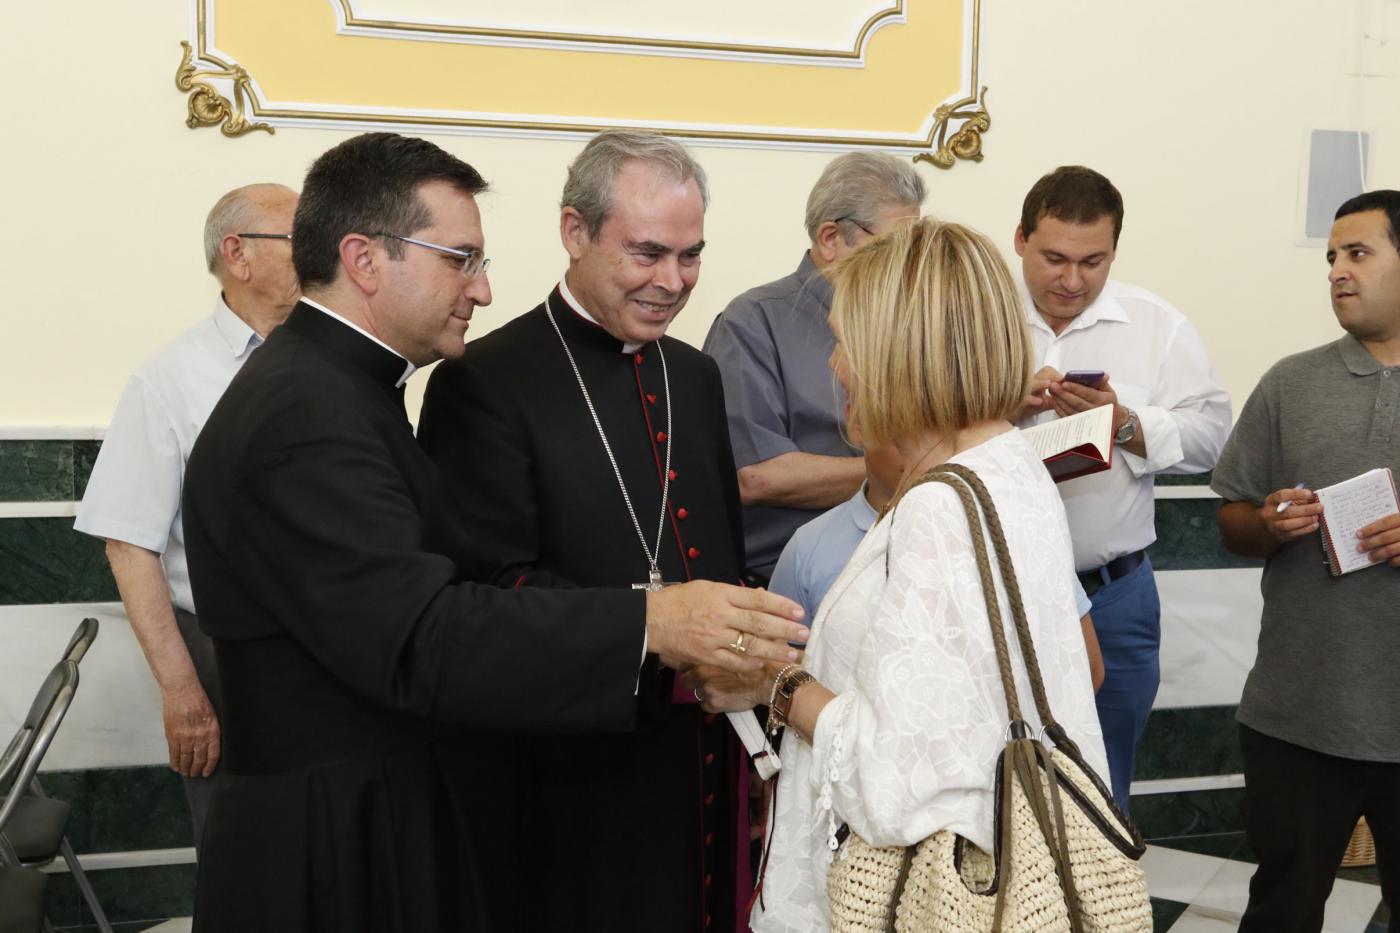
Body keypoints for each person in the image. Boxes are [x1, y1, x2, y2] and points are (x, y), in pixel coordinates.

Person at [180, 132, 808, 933]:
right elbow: (423, 633)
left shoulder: (340, 388)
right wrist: (656, 620)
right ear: (366, 259)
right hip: (333, 841)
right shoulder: (308, 412)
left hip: (381, 810)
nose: (480, 289)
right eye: (461, 259)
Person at [688, 218, 1109, 932]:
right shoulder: (1004, 464)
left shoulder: (941, 506)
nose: (836, 367)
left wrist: (775, 683)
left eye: (844, 340)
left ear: (898, 351)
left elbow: (896, 782)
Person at [418, 130, 752, 933]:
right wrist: (656, 629)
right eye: (646, 253)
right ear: (575, 232)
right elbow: (485, 589)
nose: (672, 282)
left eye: (690, 255)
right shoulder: (483, 382)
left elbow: (722, 553)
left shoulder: (696, 375)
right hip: (569, 769)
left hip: (697, 747)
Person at [74, 183, 299, 850]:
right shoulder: (170, 379)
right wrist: (182, 689)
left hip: (331, 645)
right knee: (243, 851)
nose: (319, 251)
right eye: (298, 238)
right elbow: (130, 544)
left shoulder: (339, 364)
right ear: (238, 254)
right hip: (222, 651)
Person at [1213, 190, 1400, 933]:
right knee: (1284, 909)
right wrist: (1264, 522)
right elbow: (1229, 516)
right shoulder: (1290, 382)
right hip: (1297, 719)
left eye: (1358, 253)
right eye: (1331, 258)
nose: (1337, 273)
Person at [1013, 165, 1231, 805]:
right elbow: (918, 429)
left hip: (1112, 596)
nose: (1072, 280)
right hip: (995, 590)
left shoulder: (1157, 326)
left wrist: (1124, 423)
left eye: (1093, 261)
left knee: (1105, 787)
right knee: (997, 784)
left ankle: (1103, 908)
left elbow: (1211, 438)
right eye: (1054, 258)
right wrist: (998, 408)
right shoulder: (973, 314)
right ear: (1021, 238)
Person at [767, 410, 1105, 697]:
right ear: (859, 423)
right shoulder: (809, 548)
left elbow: (1087, 669)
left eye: (937, 431)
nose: (924, 450)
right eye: (904, 432)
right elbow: (777, 678)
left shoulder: (1007, 528)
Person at [703, 152, 925, 583]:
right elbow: (757, 477)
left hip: (906, 564)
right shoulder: (753, 321)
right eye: (896, 246)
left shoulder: (913, 320)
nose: (910, 263)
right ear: (830, 238)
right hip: (787, 583)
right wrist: (908, 471)